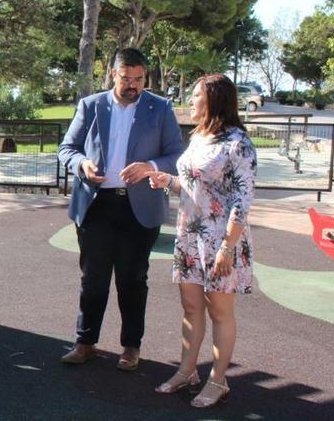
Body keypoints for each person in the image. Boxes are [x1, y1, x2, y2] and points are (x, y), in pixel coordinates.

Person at [58, 48, 184, 371]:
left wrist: (150, 166)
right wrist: (82, 163)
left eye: (139, 79)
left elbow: (176, 156)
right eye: (126, 78)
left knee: (132, 279)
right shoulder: (91, 105)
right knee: (93, 278)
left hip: (138, 207)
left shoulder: (161, 108)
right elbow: (66, 149)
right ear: (113, 74)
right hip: (96, 205)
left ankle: (131, 347)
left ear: (145, 77)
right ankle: (85, 342)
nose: (133, 85)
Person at [147, 73, 256, 408]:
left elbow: (242, 200)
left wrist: (227, 247)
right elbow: (194, 186)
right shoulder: (199, 138)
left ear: (214, 100)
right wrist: (167, 180)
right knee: (191, 306)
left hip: (221, 240)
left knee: (220, 312)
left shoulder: (238, 143)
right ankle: (187, 371)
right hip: (190, 236)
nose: (190, 100)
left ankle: (218, 380)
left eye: (196, 95)